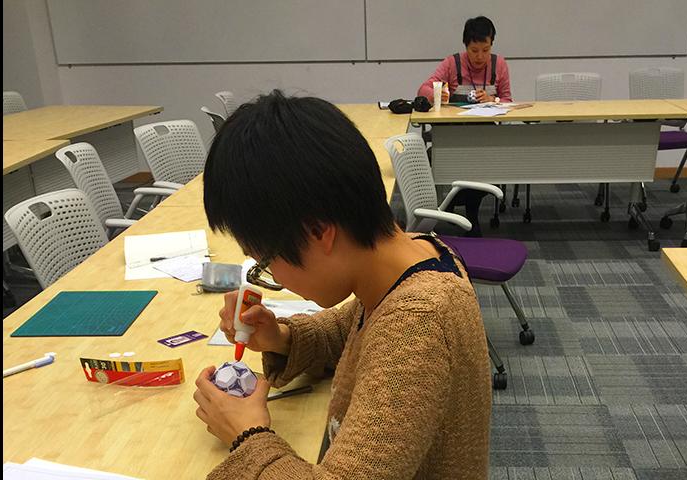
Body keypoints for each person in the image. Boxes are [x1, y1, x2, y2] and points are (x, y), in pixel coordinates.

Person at [193, 90, 492, 479]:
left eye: (267, 261)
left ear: (318, 231)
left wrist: (247, 434)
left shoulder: (418, 322)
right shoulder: (411, 256)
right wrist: (281, 337)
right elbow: (353, 328)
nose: (275, 277)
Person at [417, 16, 513, 237]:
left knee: (483, 163)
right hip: (455, 134)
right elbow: (423, 89)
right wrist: (436, 93)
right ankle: (466, 213)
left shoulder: (500, 65)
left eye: (485, 50)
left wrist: (493, 100)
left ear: (492, 46)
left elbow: (509, 101)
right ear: (465, 46)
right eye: (474, 50)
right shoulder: (452, 63)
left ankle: (463, 209)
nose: (480, 57)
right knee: (464, 163)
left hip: (485, 135)